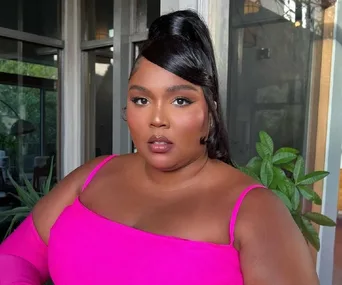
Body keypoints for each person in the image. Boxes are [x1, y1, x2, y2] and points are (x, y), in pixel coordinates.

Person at [0, 10, 318, 285]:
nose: (157, 119)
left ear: (210, 112)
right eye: (141, 99)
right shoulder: (92, 175)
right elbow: (15, 257)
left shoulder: (257, 213)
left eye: (180, 100)